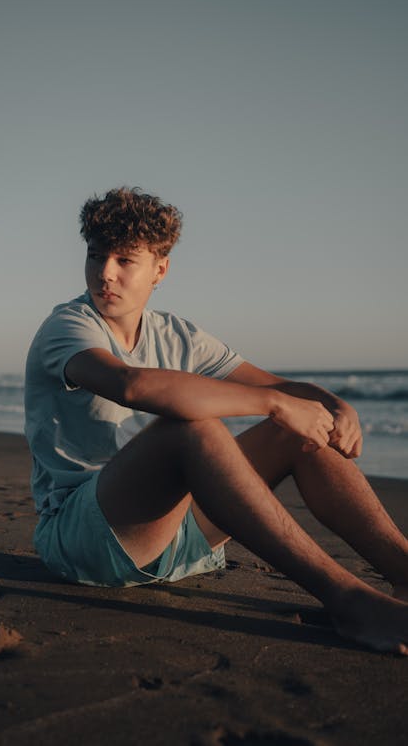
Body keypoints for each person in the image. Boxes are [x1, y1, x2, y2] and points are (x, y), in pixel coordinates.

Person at [24, 186, 408, 654]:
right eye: (96, 255)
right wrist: (271, 405)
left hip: (180, 538)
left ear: (160, 269)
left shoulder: (178, 334)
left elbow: (279, 387)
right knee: (190, 427)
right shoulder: (68, 326)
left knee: (297, 433)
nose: (106, 273)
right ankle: (349, 601)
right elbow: (131, 384)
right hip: (85, 539)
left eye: (126, 260)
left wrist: (334, 405)